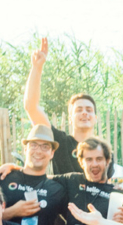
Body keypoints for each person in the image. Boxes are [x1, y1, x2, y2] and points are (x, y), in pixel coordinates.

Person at [0, 124, 70, 225]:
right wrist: (12, 212)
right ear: (25, 149)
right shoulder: (4, 178)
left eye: (45, 147)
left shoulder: (56, 189)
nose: (38, 151)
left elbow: (74, 222)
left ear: (52, 153)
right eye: (34, 145)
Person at [23, 37, 100, 175]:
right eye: (78, 110)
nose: (84, 113)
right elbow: (31, 107)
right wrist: (37, 67)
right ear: (70, 118)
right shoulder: (59, 141)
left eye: (89, 110)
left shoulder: (103, 150)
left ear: (95, 118)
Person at [55, 137, 123, 225]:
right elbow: (39, 178)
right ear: (81, 162)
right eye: (89, 159)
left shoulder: (119, 194)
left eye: (99, 159)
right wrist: (14, 168)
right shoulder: (72, 180)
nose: (94, 164)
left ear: (107, 161)